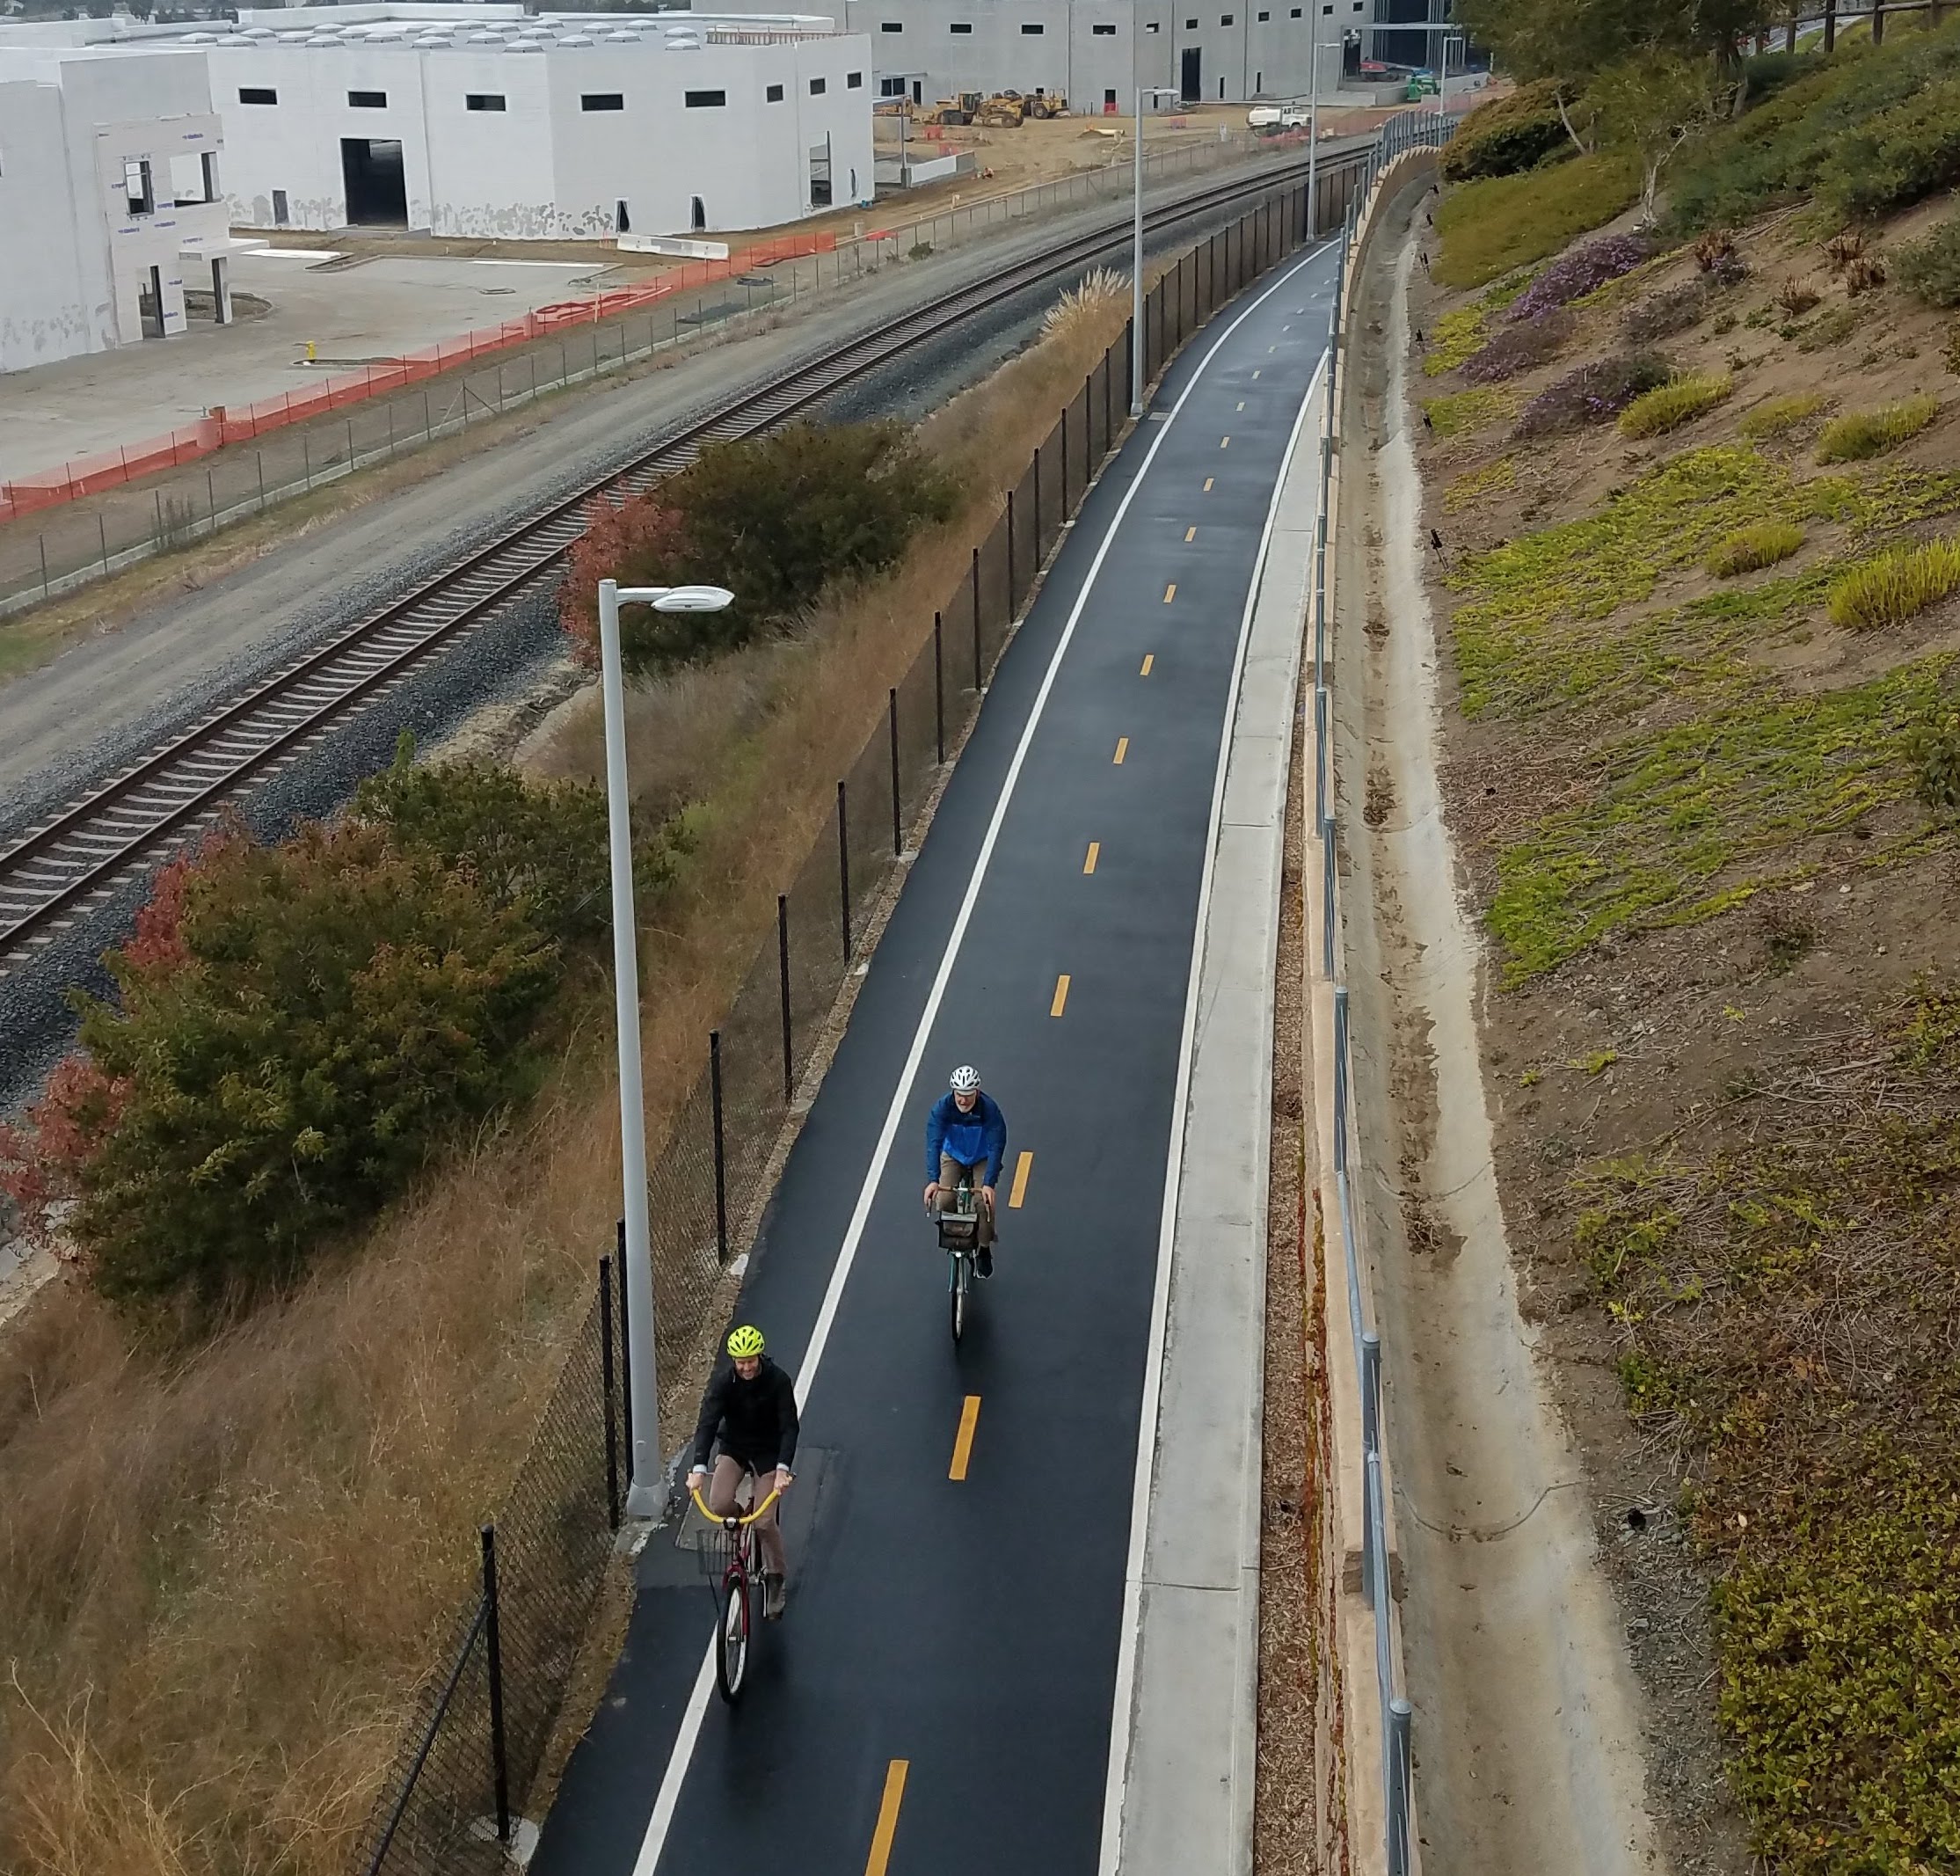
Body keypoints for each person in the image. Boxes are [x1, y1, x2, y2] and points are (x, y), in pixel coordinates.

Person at [688, 1325, 798, 1618]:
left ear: (759, 1356)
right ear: (733, 1361)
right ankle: (739, 1524)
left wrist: (783, 1470)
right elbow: (708, 1423)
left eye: (750, 1360)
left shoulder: (778, 1381)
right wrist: (699, 1467)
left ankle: (776, 1577)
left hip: (768, 1452)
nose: (746, 1366)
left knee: (763, 1521)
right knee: (719, 1504)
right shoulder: (724, 1384)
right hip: (735, 1447)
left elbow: (789, 1427)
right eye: (741, 1361)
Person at [923, 1064, 1007, 1280]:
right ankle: (956, 1235)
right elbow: (934, 1143)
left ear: (977, 1093)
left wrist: (989, 1182)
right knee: (944, 1201)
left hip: (981, 1157)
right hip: (953, 1155)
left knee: (984, 1204)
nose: (963, 1100)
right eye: (959, 1095)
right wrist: (933, 1180)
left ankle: (984, 1248)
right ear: (954, 1092)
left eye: (968, 1096)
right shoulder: (941, 1109)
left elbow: (996, 1145)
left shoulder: (989, 1110)